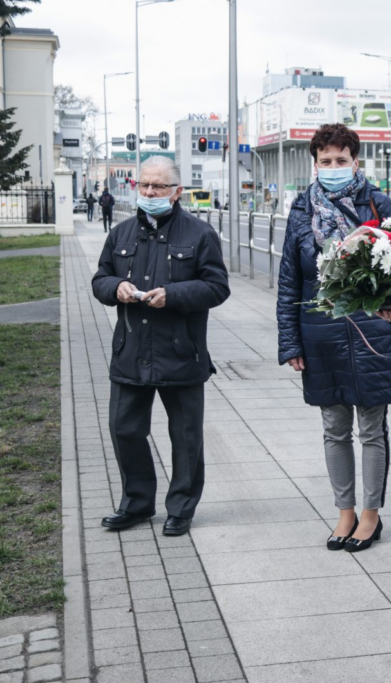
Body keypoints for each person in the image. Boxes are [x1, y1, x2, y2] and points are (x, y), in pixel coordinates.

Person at [277, 123, 391, 554]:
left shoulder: (379, 203)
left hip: (375, 330)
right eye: (326, 161)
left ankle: (371, 515)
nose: (334, 167)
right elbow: (290, 278)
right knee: (333, 427)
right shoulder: (302, 208)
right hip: (320, 331)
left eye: (342, 160)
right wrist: (290, 342)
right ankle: (344, 511)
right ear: (315, 164)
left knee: (372, 428)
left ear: (356, 162)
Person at [91, 157, 230, 536]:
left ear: (177, 192)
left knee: (185, 437)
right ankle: (136, 504)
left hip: (181, 352)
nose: (150, 192)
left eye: (159, 187)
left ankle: (181, 508)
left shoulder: (200, 234)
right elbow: (100, 278)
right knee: (124, 429)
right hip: (131, 351)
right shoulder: (120, 234)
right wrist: (114, 288)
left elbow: (218, 287)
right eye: (145, 186)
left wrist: (173, 294)